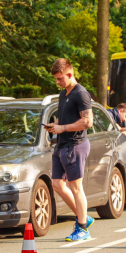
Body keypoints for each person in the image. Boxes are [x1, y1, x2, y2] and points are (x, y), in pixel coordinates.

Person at [44, 58, 94, 242]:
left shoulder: (81, 94)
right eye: (56, 79)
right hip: (61, 145)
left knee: (75, 187)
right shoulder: (64, 94)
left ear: (70, 74)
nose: (57, 82)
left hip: (75, 145)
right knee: (57, 184)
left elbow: (87, 122)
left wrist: (62, 129)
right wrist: (55, 125)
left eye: (59, 78)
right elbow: (64, 118)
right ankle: (84, 218)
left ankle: (82, 228)